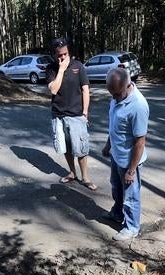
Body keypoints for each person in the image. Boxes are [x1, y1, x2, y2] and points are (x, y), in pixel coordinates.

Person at [101, 68, 149, 241]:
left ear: (127, 85)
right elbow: (115, 125)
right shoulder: (117, 96)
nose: (113, 98)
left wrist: (131, 170)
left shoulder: (138, 105)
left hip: (130, 161)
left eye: (116, 94)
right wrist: (108, 145)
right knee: (116, 187)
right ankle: (117, 214)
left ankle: (132, 227)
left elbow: (140, 141)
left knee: (131, 196)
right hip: (117, 155)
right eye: (111, 94)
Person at [46, 37, 96, 190]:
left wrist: (85, 113)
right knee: (66, 147)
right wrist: (61, 69)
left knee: (80, 148)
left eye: (65, 54)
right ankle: (72, 172)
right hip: (59, 115)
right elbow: (53, 89)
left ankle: (85, 177)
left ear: (69, 52)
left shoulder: (78, 66)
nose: (62, 57)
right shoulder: (51, 69)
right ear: (54, 54)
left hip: (76, 115)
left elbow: (85, 90)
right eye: (59, 55)